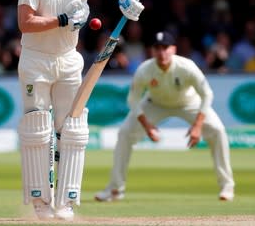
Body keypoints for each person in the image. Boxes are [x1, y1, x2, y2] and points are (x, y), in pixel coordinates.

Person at [16, 0, 144, 221]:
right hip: (36, 60)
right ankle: (41, 203)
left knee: (72, 129)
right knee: (38, 129)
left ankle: (66, 202)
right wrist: (61, 20)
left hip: (68, 61)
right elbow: (25, 23)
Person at [94, 31, 235, 203]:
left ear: (174, 49)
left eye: (165, 48)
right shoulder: (145, 70)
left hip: (188, 102)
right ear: (152, 51)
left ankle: (227, 186)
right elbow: (133, 99)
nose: (162, 53)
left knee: (218, 131)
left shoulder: (187, 67)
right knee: (124, 134)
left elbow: (207, 94)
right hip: (155, 104)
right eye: (157, 48)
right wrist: (147, 126)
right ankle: (115, 189)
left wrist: (198, 126)